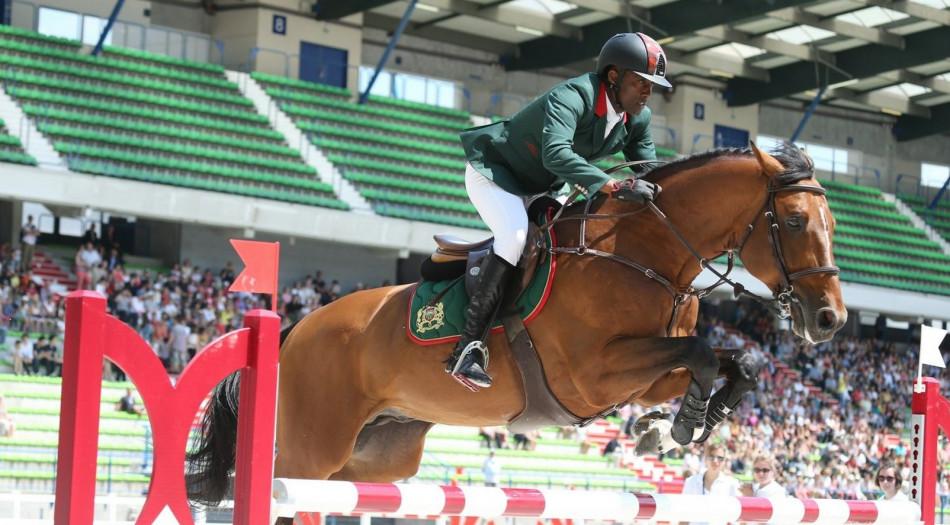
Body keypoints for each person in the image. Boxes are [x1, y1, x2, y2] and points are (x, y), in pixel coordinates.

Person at [446, 32, 669, 389]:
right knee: (515, 237)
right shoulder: (573, 96)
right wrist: (612, 186)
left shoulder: (636, 118)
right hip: (497, 174)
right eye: (641, 82)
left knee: (571, 240)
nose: (647, 92)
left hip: (542, 187)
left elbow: (650, 171)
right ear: (614, 76)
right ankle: (468, 348)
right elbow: (555, 154)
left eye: (651, 86)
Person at [680, 443, 739, 525]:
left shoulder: (731, 484)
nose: (715, 461)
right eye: (711, 457)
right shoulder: (691, 482)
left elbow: (733, 518)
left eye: (720, 458)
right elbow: (683, 515)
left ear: (724, 461)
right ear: (705, 459)